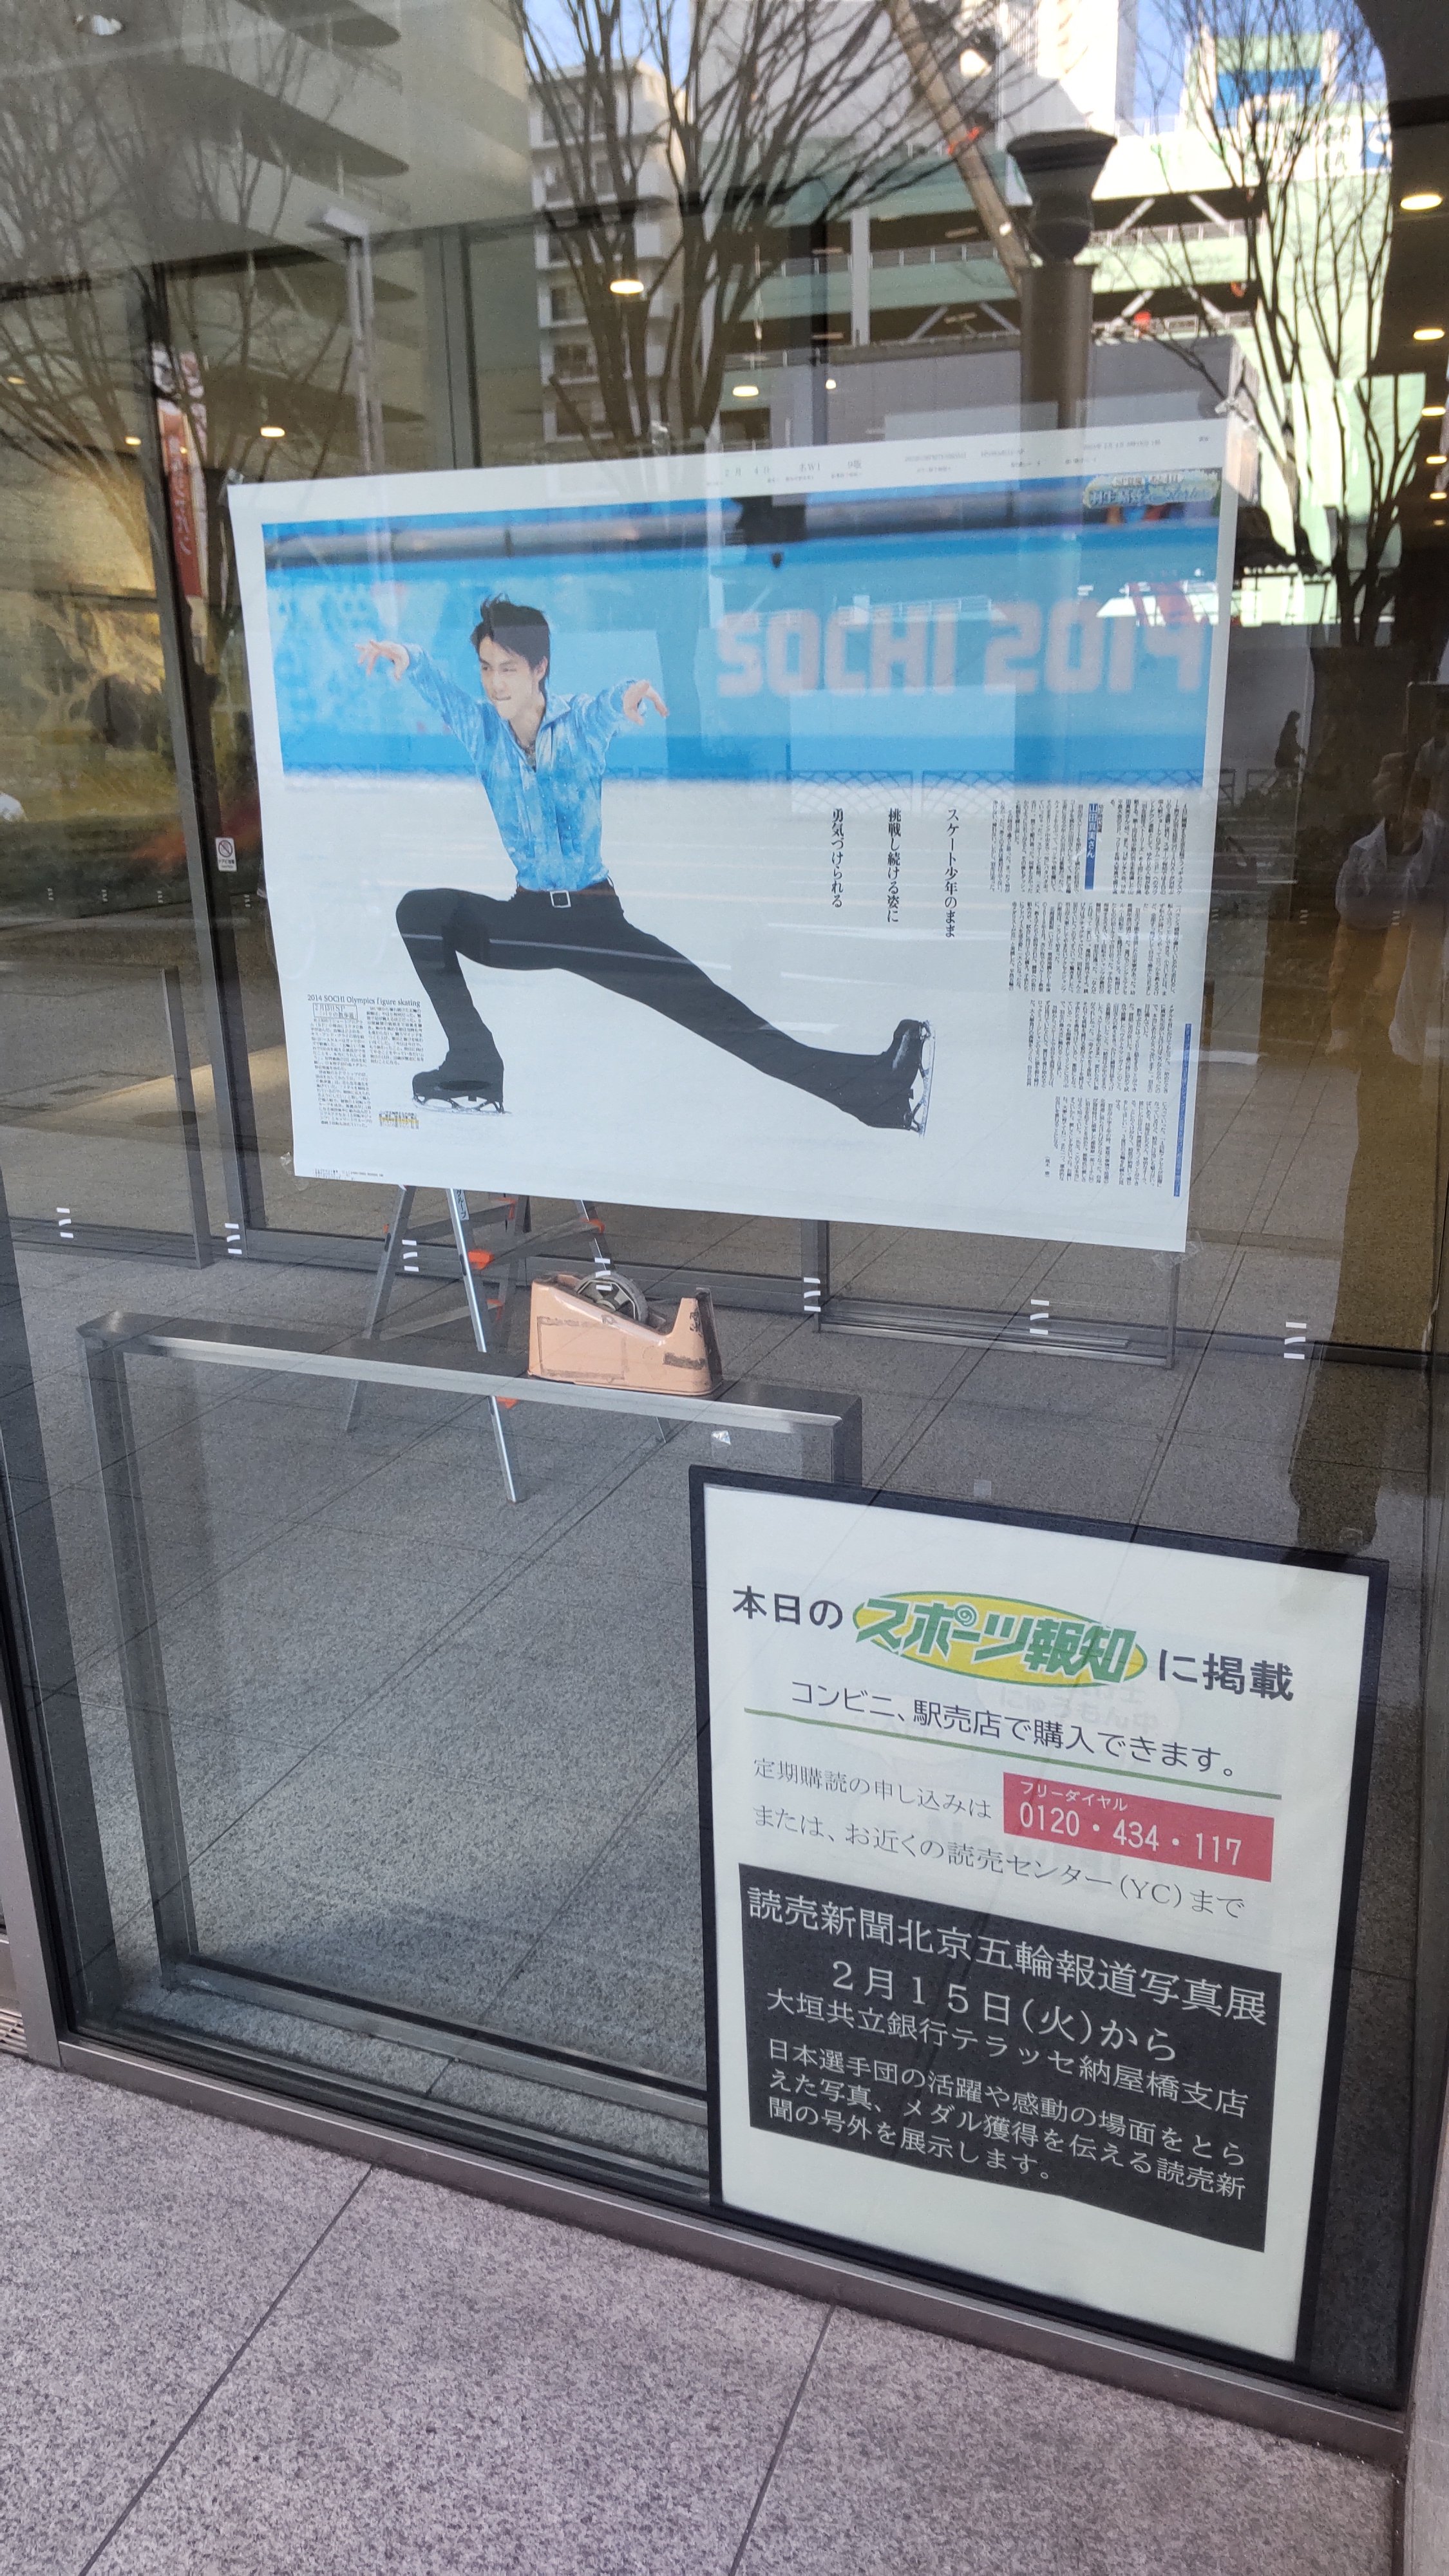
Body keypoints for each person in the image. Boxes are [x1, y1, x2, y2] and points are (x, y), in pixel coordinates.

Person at [357, 596, 931, 1129]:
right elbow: (445, 695)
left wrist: (627, 697)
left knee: (721, 1016)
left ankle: (874, 1093)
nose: (494, 682)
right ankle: (474, 1065)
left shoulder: (578, 724)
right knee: (421, 911)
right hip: (526, 919)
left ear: (539, 668)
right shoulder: (484, 731)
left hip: (593, 920)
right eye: (486, 668)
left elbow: (608, 707)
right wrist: (410, 659)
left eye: (508, 668)